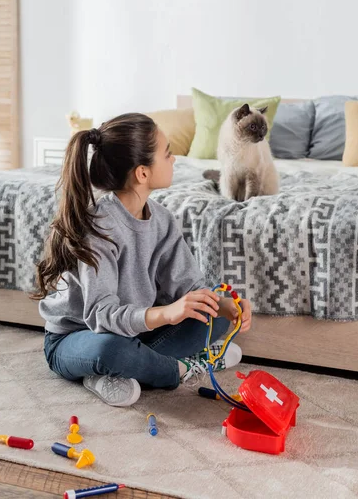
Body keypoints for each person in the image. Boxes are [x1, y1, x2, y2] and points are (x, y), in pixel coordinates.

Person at [33, 113, 252, 407]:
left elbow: (189, 287)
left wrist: (223, 305)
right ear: (142, 173)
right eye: (167, 154)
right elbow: (101, 316)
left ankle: (133, 369)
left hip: (135, 330)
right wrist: (167, 314)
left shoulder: (162, 219)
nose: (174, 160)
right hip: (79, 337)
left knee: (214, 317)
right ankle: (183, 367)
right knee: (111, 350)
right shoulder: (98, 227)